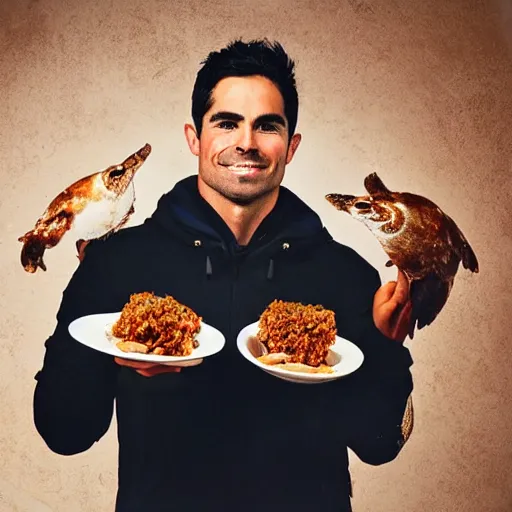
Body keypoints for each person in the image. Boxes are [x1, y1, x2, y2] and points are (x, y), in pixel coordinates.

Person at [33, 39, 415, 512]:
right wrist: (98, 341)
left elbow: (381, 444)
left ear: (291, 146)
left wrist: (385, 347)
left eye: (267, 126)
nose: (247, 143)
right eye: (227, 122)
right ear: (195, 138)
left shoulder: (345, 274)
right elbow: (63, 432)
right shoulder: (119, 262)